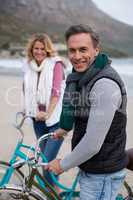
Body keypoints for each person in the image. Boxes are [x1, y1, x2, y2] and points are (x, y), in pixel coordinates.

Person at [45, 25, 128, 199]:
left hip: (102, 174)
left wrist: (62, 164)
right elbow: (84, 112)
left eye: (83, 50)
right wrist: (64, 129)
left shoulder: (104, 84)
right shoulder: (83, 77)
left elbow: (92, 143)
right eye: (72, 50)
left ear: (96, 50)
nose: (77, 57)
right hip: (92, 167)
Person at [22, 33, 65, 186]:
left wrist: (48, 113)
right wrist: (26, 109)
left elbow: (56, 92)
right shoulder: (28, 64)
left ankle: (54, 193)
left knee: (46, 163)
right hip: (37, 120)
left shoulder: (56, 64)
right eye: (36, 48)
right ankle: (55, 193)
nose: (39, 52)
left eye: (42, 49)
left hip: (55, 121)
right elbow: (26, 89)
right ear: (31, 49)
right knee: (46, 162)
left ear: (47, 50)